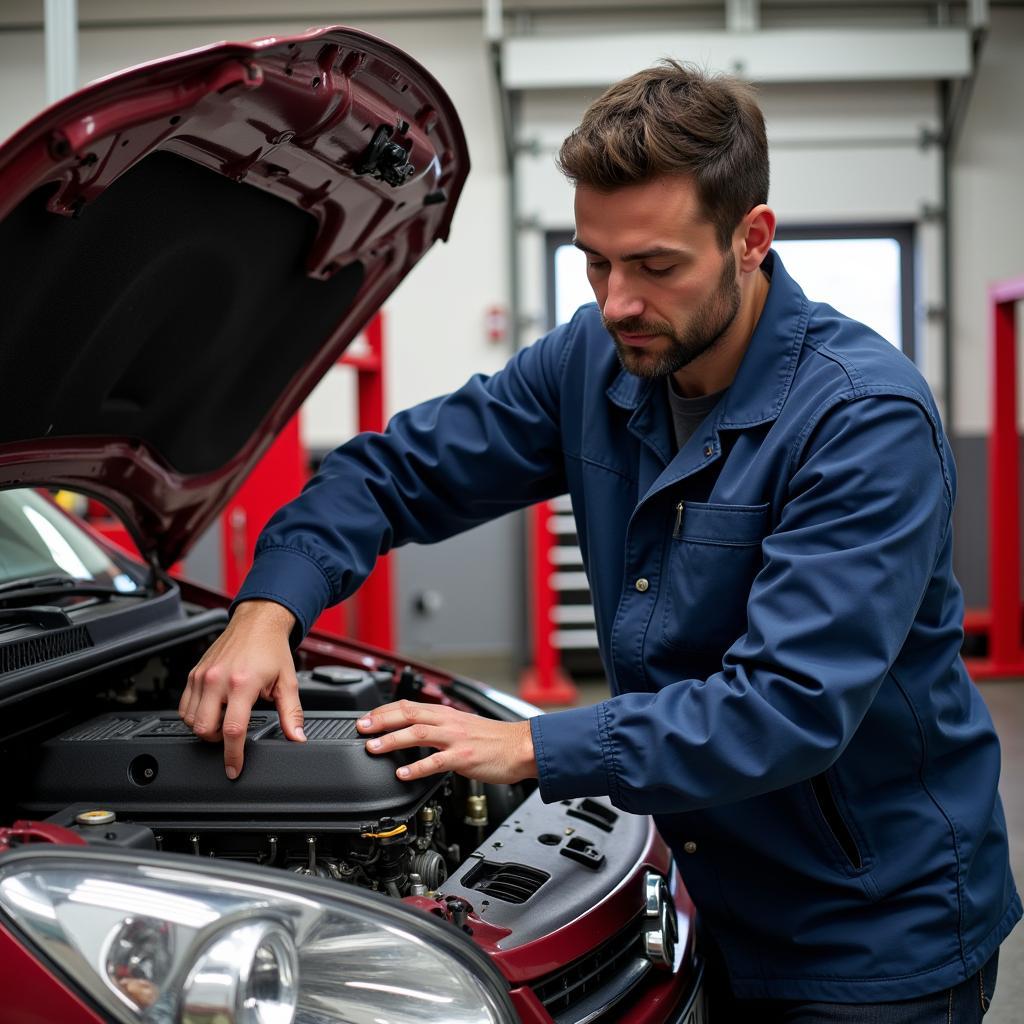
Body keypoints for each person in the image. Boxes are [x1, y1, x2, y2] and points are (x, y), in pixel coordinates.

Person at [180, 61, 1018, 1020]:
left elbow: (787, 708)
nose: (617, 300)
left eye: (656, 266)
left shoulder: (861, 419)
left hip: (870, 934)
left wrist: (530, 744)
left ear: (752, 241)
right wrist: (265, 609)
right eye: (595, 261)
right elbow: (386, 474)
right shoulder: (594, 358)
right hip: (706, 898)